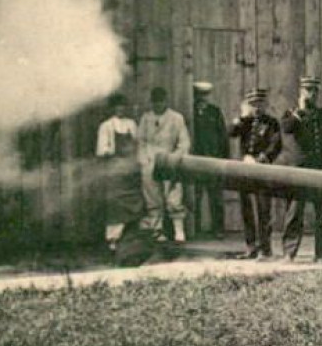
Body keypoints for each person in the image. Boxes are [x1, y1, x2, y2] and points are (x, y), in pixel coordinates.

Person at [280, 76, 322, 261]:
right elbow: (287, 128)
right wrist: (299, 111)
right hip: (300, 171)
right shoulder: (291, 113)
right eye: (308, 90)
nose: (312, 94)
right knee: (294, 212)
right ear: (301, 92)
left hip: (320, 169)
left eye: (315, 91)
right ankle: (289, 253)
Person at [229, 87, 282, 259]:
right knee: (247, 209)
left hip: (263, 169)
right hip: (245, 169)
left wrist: (262, 159)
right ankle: (251, 246)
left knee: (263, 209)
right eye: (253, 104)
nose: (257, 107)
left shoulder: (272, 123)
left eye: (260, 103)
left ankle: (265, 249)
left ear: (265, 104)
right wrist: (241, 117)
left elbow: (275, 145)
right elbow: (231, 133)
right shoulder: (244, 122)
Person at [137, 86, 191, 243]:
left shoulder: (176, 118)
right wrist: (144, 159)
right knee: (153, 198)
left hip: (169, 160)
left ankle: (179, 231)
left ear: (166, 101)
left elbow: (184, 142)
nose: (158, 105)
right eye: (155, 103)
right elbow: (141, 141)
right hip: (150, 161)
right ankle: (157, 230)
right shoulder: (146, 118)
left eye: (160, 102)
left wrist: (176, 158)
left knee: (173, 196)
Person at [94, 94, 143, 259]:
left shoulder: (131, 124)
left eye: (123, 106)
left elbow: (139, 144)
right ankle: (113, 242)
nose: (120, 109)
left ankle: (131, 242)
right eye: (117, 107)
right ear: (112, 108)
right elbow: (100, 150)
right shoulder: (106, 126)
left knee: (134, 203)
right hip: (115, 171)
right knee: (116, 206)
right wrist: (112, 151)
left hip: (130, 172)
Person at [188, 81, 229, 237]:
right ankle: (195, 229)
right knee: (195, 196)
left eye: (205, 95)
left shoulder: (214, 112)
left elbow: (223, 136)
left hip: (213, 160)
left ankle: (218, 230)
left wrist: (224, 159)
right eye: (199, 95)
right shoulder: (190, 112)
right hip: (195, 160)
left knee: (216, 197)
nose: (202, 98)